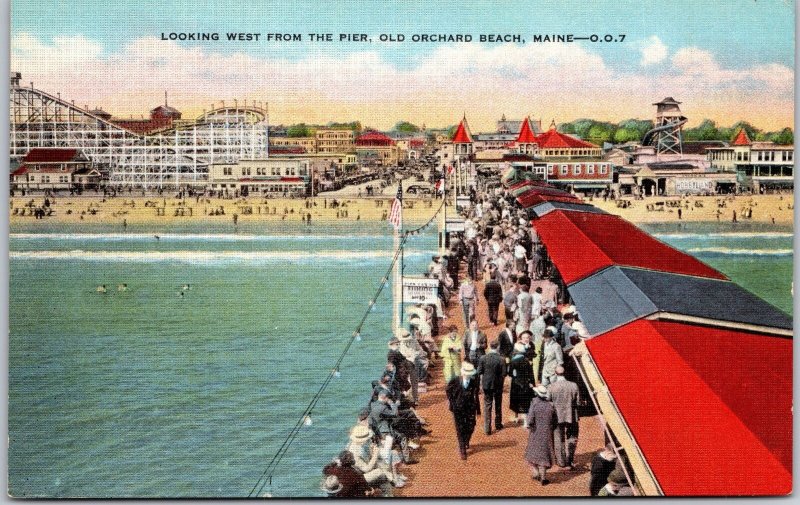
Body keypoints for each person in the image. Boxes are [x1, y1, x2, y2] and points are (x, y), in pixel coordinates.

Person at [548, 365, 580, 469]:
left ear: (555, 373)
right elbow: (578, 402)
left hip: (557, 416)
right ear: (564, 373)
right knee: (572, 437)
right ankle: (570, 459)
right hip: (571, 415)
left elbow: (548, 401)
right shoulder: (573, 385)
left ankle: (561, 461)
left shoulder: (552, 386)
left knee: (558, 438)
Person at [445, 362, 479, 460]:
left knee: (471, 426)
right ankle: (462, 449)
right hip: (457, 408)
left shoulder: (473, 382)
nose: (469, 376)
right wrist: (452, 402)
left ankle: (466, 440)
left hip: (470, 408)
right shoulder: (455, 381)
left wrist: (478, 410)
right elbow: (448, 390)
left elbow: (476, 396)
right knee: (459, 429)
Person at [525, 385, 556, 485]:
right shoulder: (550, 405)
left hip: (535, 431)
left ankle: (536, 472)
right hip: (547, 432)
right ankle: (543, 477)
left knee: (533, 453)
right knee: (545, 454)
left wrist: (530, 426)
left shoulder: (534, 404)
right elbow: (555, 421)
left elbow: (530, 420)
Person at [476, 339, 506, 434]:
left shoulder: (483, 358)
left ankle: (487, 428)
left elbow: (479, 372)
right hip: (498, 385)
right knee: (498, 404)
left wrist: (482, 383)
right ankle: (498, 424)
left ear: (489, 346)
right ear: (498, 347)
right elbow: (504, 373)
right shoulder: (501, 359)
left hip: (487, 385)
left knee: (487, 406)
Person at [508, 342, 535, 427]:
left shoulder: (513, 361)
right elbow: (531, 374)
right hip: (525, 383)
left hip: (516, 383)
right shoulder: (527, 361)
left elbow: (510, 373)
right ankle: (525, 422)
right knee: (525, 402)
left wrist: (514, 376)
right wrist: (532, 383)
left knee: (515, 400)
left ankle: (516, 417)